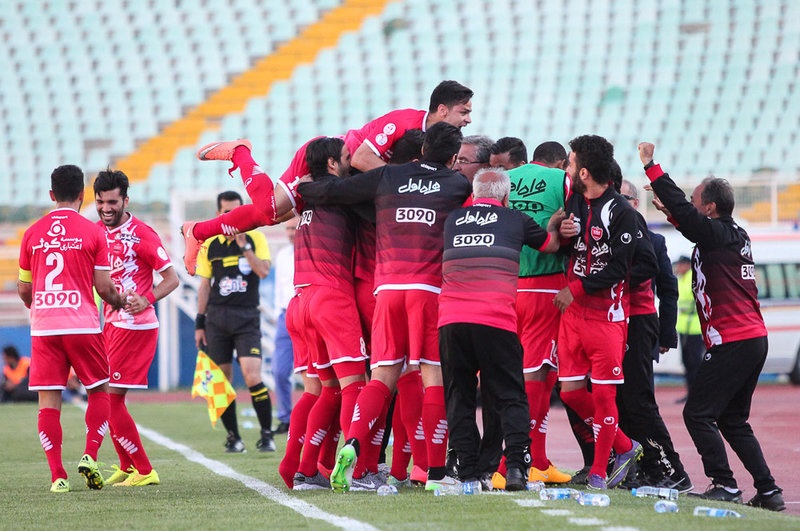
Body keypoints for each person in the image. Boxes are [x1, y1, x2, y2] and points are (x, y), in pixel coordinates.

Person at [297, 122, 472, 492]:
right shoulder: (458, 185)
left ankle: (354, 448)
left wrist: (304, 189)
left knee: (382, 378)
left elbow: (336, 191)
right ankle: (436, 476)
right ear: (453, 158)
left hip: (386, 289)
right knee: (431, 377)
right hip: (427, 290)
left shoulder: (389, 176)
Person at [182, 80, 474, 274]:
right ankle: (240, 154)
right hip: (328, 158)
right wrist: (404, 183)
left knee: (274, 216)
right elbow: (360, 158)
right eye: (464, 111)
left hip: (342, 171)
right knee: (270, 209)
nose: (468, 119)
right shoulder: (404, 121)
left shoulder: (436, 139)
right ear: (442, 109)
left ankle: (198, 231)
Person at [641, 141, 785, 511]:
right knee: (732, 419)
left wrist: (653, 168)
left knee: (698, 413)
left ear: (710, 207)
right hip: (753, 339)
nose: (690, 203)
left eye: (695, 199)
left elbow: (692, 222)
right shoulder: (733, 234)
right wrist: (673, 214)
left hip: (735, 340)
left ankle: (725, 484)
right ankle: (768, 491)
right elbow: (693, 226)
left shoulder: (718, 233)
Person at [439, 168, 563, 491]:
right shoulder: (514, 219)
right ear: (506, 198)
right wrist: (552, 226)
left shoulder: (452, 220)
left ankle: (467, 474)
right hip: (496, 320)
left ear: (476, 194)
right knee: (510, 396)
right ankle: (517, 470)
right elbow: (550, 246)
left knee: (460, 397)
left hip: (452, 321)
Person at [17, 164, 128, 493]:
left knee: (49, 402)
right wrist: (120, 301)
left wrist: (40, 306)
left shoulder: (32, 233)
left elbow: (24, 290)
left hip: (44, 327)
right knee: (99, 390)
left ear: (51, 195)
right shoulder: (94, 232)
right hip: (81, 324)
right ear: (83, 195)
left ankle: (57, 477)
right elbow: (105, 288)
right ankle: (90, 455)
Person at [555, 135, 642, 491]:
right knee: (570, 392)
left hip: (607, 318)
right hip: (573, 317)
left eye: (571, 163)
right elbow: (567, 244)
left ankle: (597, 474)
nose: (568, 169)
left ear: (585, 172)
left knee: (605, 396)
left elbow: (621, 268)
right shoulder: (574, 201)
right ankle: (624, 447)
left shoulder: (621, 211)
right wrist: (560, 232)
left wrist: (574, 288)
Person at [286, 137, 369, 491]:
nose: (354, 162)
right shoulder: (342, 195)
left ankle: (304, 470)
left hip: (300, 300)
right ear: (333, 164)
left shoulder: (303, 201)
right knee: (356, 385)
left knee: (324, 389)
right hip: (331, 297)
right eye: (348, 158)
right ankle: (358, 471)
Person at [492, 140, 574, 488]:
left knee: (537, 372)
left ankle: (537, 459)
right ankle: (509, 462)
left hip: (505, 284)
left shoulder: (500, 181)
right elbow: (575, 227)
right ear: (558, 163)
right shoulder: (560, 181)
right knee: (537, 377)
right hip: (546, 287)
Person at [93, 169, 180, 487]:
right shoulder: (96, 233)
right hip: (112, 323)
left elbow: (172, 278)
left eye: (113, 202)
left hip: (135, 326)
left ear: (125, 200)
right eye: (101, 202)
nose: (106, 208)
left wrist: (147, 298)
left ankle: (145, 470)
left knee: (110, 399)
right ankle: (128, 466)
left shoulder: (142, 234)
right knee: (107, 397)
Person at [615, 177, 691, 492]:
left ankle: (670, 469)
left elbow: (669, 291)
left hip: (638, 323)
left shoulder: (652, 240)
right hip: (607, 324)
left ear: (634, 203)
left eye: (619, 198)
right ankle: (630, 464)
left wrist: (665, 335)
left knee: (638, 399)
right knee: (611, 399)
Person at [194, 191, 275, 453]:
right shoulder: (209, 244)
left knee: (252, 376)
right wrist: (199, 322)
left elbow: (263, 271)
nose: (233, 217)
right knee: (221, 380)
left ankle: (266, 434)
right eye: (227, 212)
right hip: (217, 319)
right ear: (219, 215)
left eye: (238, 212)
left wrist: (245, 247)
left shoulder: (256, 237)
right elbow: (204, 286)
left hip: (246, 317)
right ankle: (234, 437)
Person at [271, 216, 299, 435]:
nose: (291, 232)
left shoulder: (312, 252)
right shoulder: (281, 256)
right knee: (279, 370)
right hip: (284, 316)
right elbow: (279, 288)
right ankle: (285, 417)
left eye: (294, 228)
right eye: (288, 228)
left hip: (308, 314)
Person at [673, 254, 704, 398]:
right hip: (684, 326)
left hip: (695, 327)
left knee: (695, 362)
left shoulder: (694, 277)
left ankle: (697, 393)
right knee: (686, 362)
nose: (677, 268)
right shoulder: (681, 279)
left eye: (680, 265)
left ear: (687, 265)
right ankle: (690, 392)